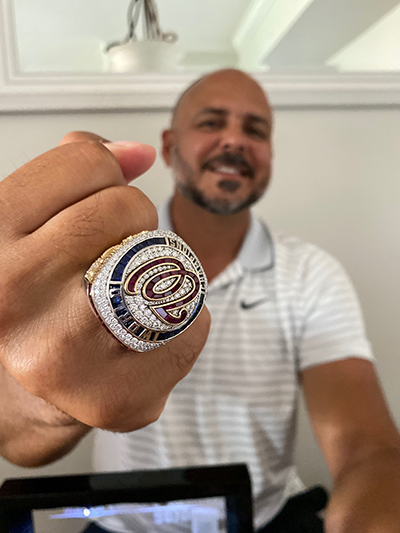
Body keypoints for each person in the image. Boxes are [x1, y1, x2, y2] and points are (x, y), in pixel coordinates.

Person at [0, 69, 399, 532]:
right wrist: (53, 389)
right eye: (211, 122)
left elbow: (368, 449)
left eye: (255, 130)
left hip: (262, 519)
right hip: (122, 524)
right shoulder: (92, 259)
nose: (235, 140)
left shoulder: (312, 274)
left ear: (270, 156)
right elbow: (16, 443)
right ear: (169, 147)